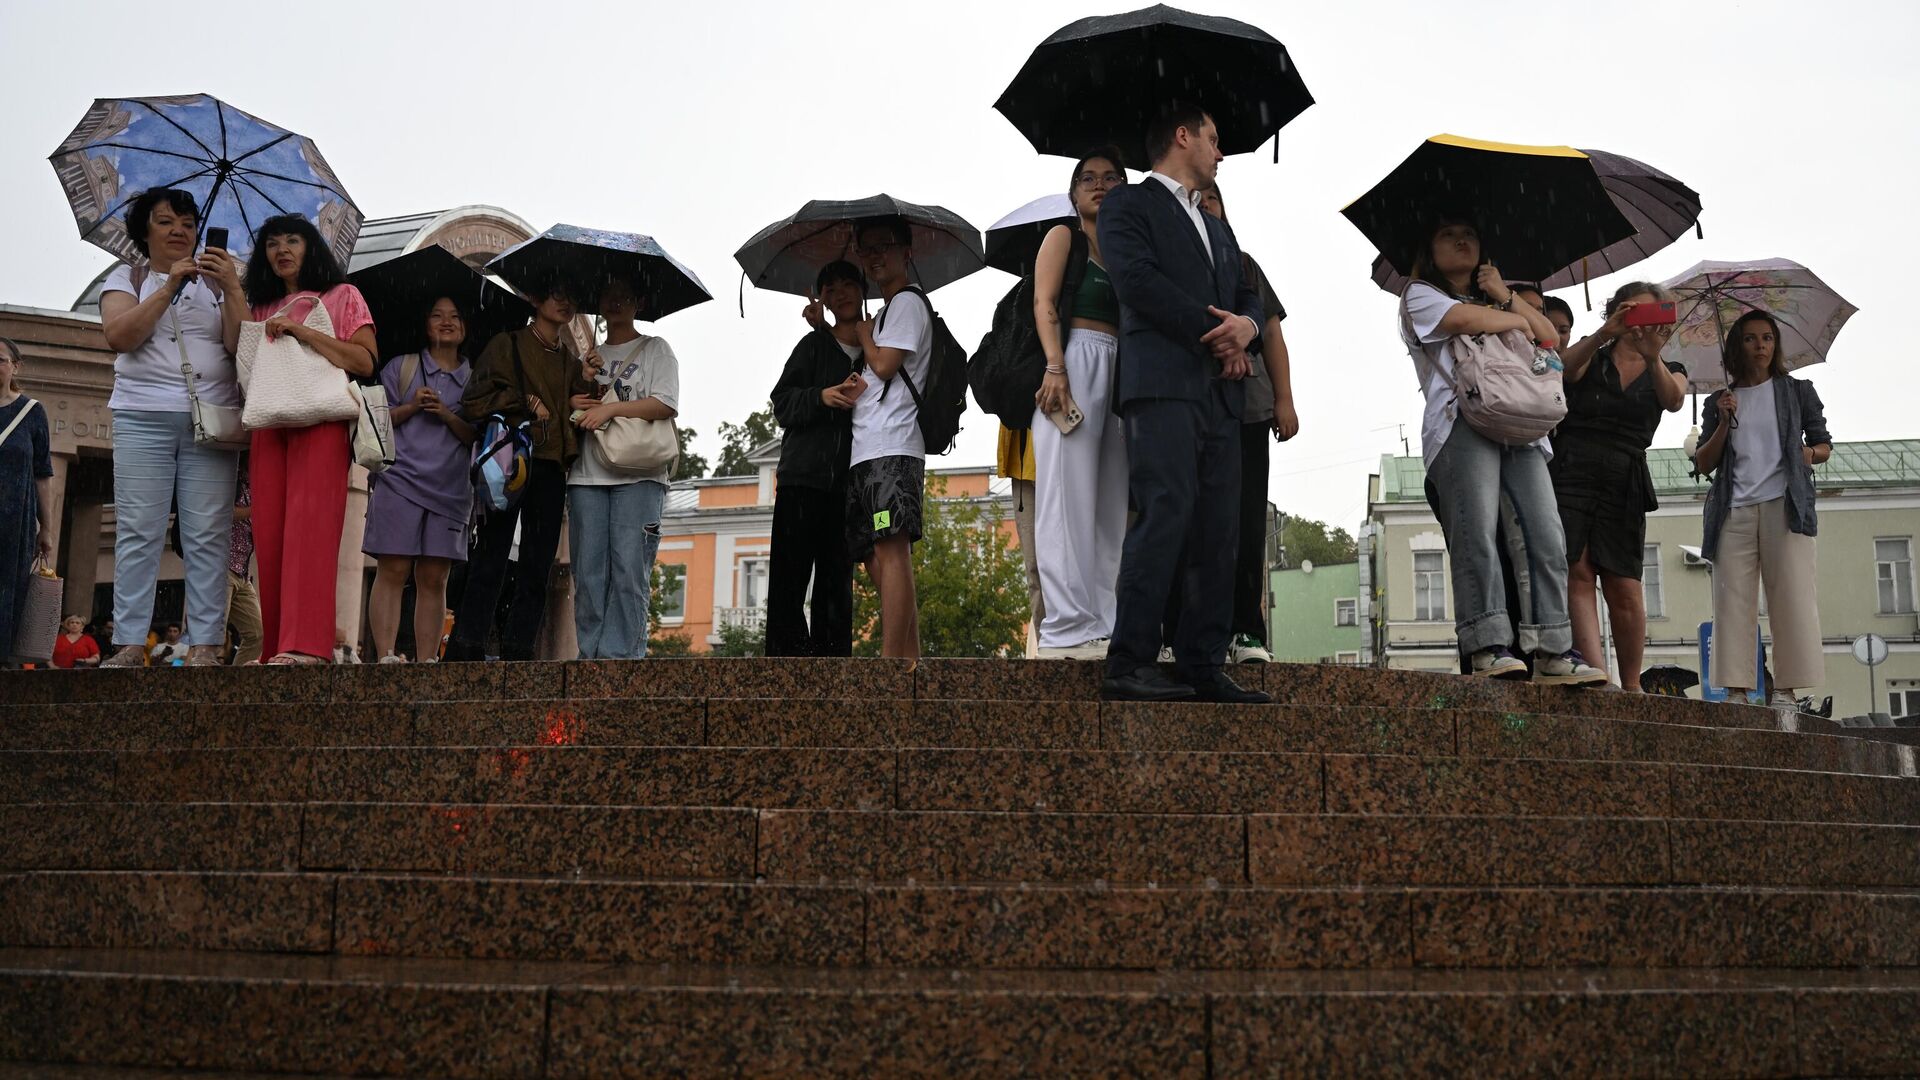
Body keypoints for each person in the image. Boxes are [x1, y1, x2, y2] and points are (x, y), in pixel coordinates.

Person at [1096, 106, 1269, 704]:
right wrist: (1215, 333)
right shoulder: (1128, 204)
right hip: (1163, 385)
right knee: (1165, 511)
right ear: (1182, 136)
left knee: (1219, 529)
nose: (1221, 153)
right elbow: (1137, 283)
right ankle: (1129, 660)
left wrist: (1245, 326)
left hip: (1221, 395)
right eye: (1215, 139)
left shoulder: (1218, 226)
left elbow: (1246, 288)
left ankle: (1202, 660)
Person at [1398, 213, 1606, 686]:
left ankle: (1553, 649)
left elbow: (1549, 336)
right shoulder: (1419, 295)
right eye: (1448, 234)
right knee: (1476, 533)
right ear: (1429, 250)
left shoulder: (1497, 295)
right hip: (1461, 419)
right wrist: (1513, 314)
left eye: (1470, 234)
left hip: (1522, 424)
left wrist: (1506, 294)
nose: (1461, 241)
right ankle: (1487, 644)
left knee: (1545, 533)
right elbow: (1462, 319)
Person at [96, 189, 246, 668]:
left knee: (208, 533)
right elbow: (120, 336)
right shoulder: (128, 276)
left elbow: (242, 346)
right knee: (139, 530)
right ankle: (127, 643)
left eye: (186, 221)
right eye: (165, 222)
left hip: (212, 421)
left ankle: (205, 644)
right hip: (143, 415)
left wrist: (233, 289)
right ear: (145, 232)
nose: (178, 230)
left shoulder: (219, 282)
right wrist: (167, 288)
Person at [243, 214, 378, 664]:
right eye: (272, 243)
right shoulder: (260, 305)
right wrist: (227, 286)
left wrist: (303, 331)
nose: (282, 249)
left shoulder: (343, 296)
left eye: (293, 240)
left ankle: (306, 646)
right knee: (272, 531)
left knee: (311, 529)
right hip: (269, 420)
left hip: (321, 420)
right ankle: (277, 644)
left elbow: (363, 361)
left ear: (311, 247)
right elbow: (236, 353)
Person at [1549, 282, 1688, 691]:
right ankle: (1597, 675)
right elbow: (1564, 369)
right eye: (1633, 313)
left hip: (1625, 473)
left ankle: (1632, 685)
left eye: (1651, 315)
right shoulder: (1593, 353)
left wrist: (1653, 356)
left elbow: (1674, 399)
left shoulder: (1668, 365)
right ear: (1616, 312)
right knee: (1577, 569)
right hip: (1572, 464)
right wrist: (1605, 333)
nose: (1640, 324)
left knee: (1624, 582)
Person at [447, 279, 593, 661]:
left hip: (550, 467)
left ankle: (519, 647)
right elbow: (472, 401)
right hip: (509, 461)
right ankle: (468, 644)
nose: (564, 302)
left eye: (570, 296)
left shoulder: (570, 361)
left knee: (537, 563)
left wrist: (588, 379)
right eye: (556, 293)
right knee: (492, 554)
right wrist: (522, 400)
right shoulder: (506, 344)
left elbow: (579, 413)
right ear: (534, 298)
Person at [1693, 309, 1831, 706]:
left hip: (1784, 506)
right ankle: (1736, 690)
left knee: (1791, 595)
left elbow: (1823, 445)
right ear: (1737, 345)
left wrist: (1807, 453)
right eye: (1751, 338)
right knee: (1731, 598)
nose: (1761, 346)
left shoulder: (1797, 391)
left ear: (1776, 344)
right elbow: (1704, 463)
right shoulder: (1721, 400)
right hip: (1734, 509)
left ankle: (1786, 689)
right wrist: (1723, 420)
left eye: (1767, 338)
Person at [1030, 147, 1130, 660]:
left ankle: (1105, 622)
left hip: (1118, 373)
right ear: (1073, 193)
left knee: (1109, 506)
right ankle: (1066, 628)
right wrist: (1055, 366)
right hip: (1072, 363)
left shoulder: (1126, 248)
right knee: (1065, 501)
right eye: (1088, 178)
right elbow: (1044, 303)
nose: (1099, 185)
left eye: (1111, 178)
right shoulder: (1062, 237)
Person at [1204, 181, 1297, 664]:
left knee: (1244, 521)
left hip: (1249, 407)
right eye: (1193, 197)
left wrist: (1285, 399)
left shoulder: (1243, 264)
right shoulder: (1166, 258)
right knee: (1191, 517)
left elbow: (1274, 334)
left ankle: (1246, 628)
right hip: (1192, 404)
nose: (1203, 205)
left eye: (1212, 197)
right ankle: (1184, 629)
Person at [566, 276, 679, 661]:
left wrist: (611, 408)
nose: (615, 302)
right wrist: (584, 383)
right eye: (608, 295)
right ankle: (590, 656)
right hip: (587, 474)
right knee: (589, 573)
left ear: (639, 302)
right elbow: (577, 411)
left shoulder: (655, 349)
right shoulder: (588, 357)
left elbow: (664, 404)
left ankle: (622, 659)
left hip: (641, 473)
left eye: (625, 296)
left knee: (630, 570)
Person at [364, 298, 476, 663]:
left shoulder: (475, 378)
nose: (447, 322)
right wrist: (412, 406)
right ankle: (385, 656)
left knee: (434, 577)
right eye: (437, 315)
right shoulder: (402, 367)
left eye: (455, 316)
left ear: (465, 328)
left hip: (451, 490)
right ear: (425, 324)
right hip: (399, 480)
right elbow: (377, 422)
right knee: (393, 568)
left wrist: (445, 413)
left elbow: (474, 435)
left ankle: (428, 660)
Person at [767, 260, 863, 657]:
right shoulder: (811, 347)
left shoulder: (877, 349)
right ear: (821, 298)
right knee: (789, 582)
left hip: (849, 483)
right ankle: (786, 670)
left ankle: (833, 668)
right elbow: (782, 402)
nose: (840, 294)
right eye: (831, 289)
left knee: (836, 584)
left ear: (862, 290)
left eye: (847, 285)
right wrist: (820, 396)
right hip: (802, 479)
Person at [848, 217, 930, 660]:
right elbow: (871, 381)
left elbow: (883, 367)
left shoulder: (907, 305)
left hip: (891, 449)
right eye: (867, 249)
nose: (875, 256)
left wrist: (864, 336)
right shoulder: (884, 314)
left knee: (891, 548)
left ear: (906, 252)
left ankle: (891, 663)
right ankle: (909, 659)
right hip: (869, 451)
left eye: (885, 246)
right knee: (875, 553)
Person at [1, 337, 54, 665]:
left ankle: (5, 664)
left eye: (1, 359)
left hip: (14, 522)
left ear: (15, 367)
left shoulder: (32, 412)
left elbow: (42, 474)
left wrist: (46, 528)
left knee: (10, 590)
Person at [224, 461, 263, 665]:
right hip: (222, 567)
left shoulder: (254, 487)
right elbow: (221, 512)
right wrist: (256, 510)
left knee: (257, 634)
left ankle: (235, 687)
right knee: (212, 632)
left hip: (242, 573)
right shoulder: (232, 479)